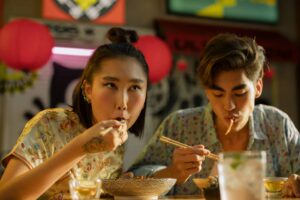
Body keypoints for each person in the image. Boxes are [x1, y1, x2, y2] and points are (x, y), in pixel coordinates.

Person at [131, 33, 300, 197]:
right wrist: (172, 172)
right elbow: (130, 182)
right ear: (207, 93)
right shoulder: (179, 125)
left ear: (258, 87)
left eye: (239, 93)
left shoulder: (277, 125)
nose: (229, 105)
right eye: (218, 94)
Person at [0, 27, 149, 199]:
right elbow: (6, 196)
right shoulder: (51, 124)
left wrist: (116, 189)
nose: (122, 103)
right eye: (110, 85)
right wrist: (81, 146)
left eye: (135, 88)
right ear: (88, 90)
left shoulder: (116, 140)